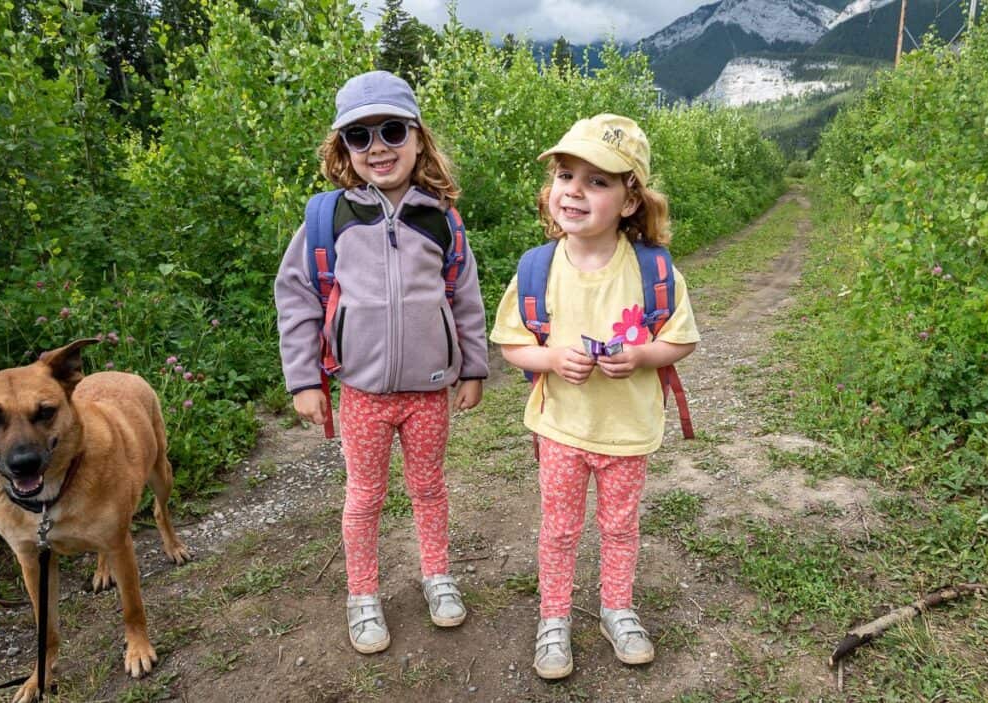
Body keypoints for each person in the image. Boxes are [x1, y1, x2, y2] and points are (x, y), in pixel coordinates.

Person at [275, 70, 488, 655]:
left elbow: (464, 295)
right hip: (361, 393)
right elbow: (295, 297)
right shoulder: (328, 219)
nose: (378, 148)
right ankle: (363, 595)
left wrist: (472, 367)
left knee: (429, 488)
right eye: (359, 137)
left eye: (392, 130)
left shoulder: (439, 218)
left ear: (418, 137)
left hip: (428, 392)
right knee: (364, 495)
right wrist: (304, 380)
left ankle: (437, 575)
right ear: (343, 149)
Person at [490, 114, 699, 679]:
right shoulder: (537, 269)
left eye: (597, 181)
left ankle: (616, 608)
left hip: (627, 430)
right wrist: (552, 358)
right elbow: (512, 345)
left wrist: (642, 356)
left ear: (630, 202)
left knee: (620, 525)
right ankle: (553, 618)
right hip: (560, 427)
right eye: (564, 175)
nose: (574, 191)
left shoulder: (654, 272)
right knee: (559, 528)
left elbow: (678, 339)